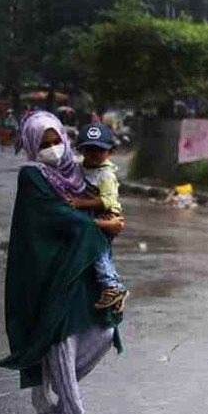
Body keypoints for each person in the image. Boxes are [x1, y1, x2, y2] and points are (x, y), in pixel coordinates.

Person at [0, 112, 125, 414]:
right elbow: (56, 217)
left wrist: (104, 222)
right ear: (30, 146)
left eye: (56, 141)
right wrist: (101, 225)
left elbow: (101, 205)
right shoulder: (32, 176)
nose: (52, 149)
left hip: (81, 267)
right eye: (43, 144)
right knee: (61, 338)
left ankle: (55, 384)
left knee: (103, 332)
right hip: (49, 271)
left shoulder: (75, 172)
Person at [70, 123, 129, 312]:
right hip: (95, 214)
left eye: (100, 150)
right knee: (101, 252)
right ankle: (116, 292)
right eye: (89, 149)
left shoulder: (105, 174)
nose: (94, 154)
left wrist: (81, 203)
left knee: (98, 251)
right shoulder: (81, 167)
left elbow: (107, 200)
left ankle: (112, 286)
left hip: (107, 214)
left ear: (110, 152)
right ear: (81, 150)